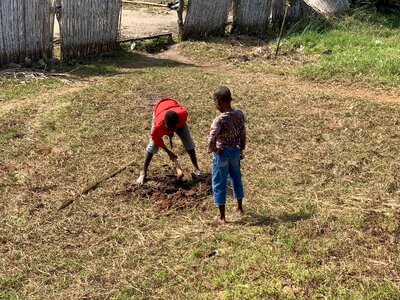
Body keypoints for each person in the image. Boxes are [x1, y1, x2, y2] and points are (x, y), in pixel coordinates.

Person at [136, 98, 201, 185]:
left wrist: (173, 130)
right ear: (165, 124)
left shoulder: (183, 115)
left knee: (188, 142)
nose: (171, 131)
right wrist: (168, 151)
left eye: (173, 128)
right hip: (160, 110)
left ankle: (197, 168)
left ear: (177, 124)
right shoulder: (158, 126)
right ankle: (143, 172)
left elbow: (181, 129)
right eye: (168, 129)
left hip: (174, 109)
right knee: (153, 145)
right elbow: (156, 138)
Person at [208, 86, 246, 224]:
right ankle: (239, 208)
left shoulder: (219, 120)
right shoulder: (240, 114)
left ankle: (222, 217)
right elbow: (243, 133)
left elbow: (212, 138)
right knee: (236, 178)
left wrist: (212, 150)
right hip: (235, 151)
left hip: (222, 153)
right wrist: (241, 148)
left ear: (218, 102)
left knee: (219, 182)